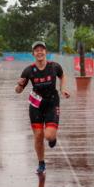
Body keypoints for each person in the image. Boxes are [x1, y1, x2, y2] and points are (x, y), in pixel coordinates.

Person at [15, 41, 69, 175]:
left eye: (42, 50)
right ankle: (41, 163)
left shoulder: (54, 66)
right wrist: (18, 85)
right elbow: (18, 90)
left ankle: (52, 138)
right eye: (36, 50)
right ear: (33, 54)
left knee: (48, 135)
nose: (39, 52)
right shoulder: (28, 70)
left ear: (46, 52)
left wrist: (63, 89)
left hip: (52, 103)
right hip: (36, 105)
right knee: (38, 136)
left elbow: (62, 76)